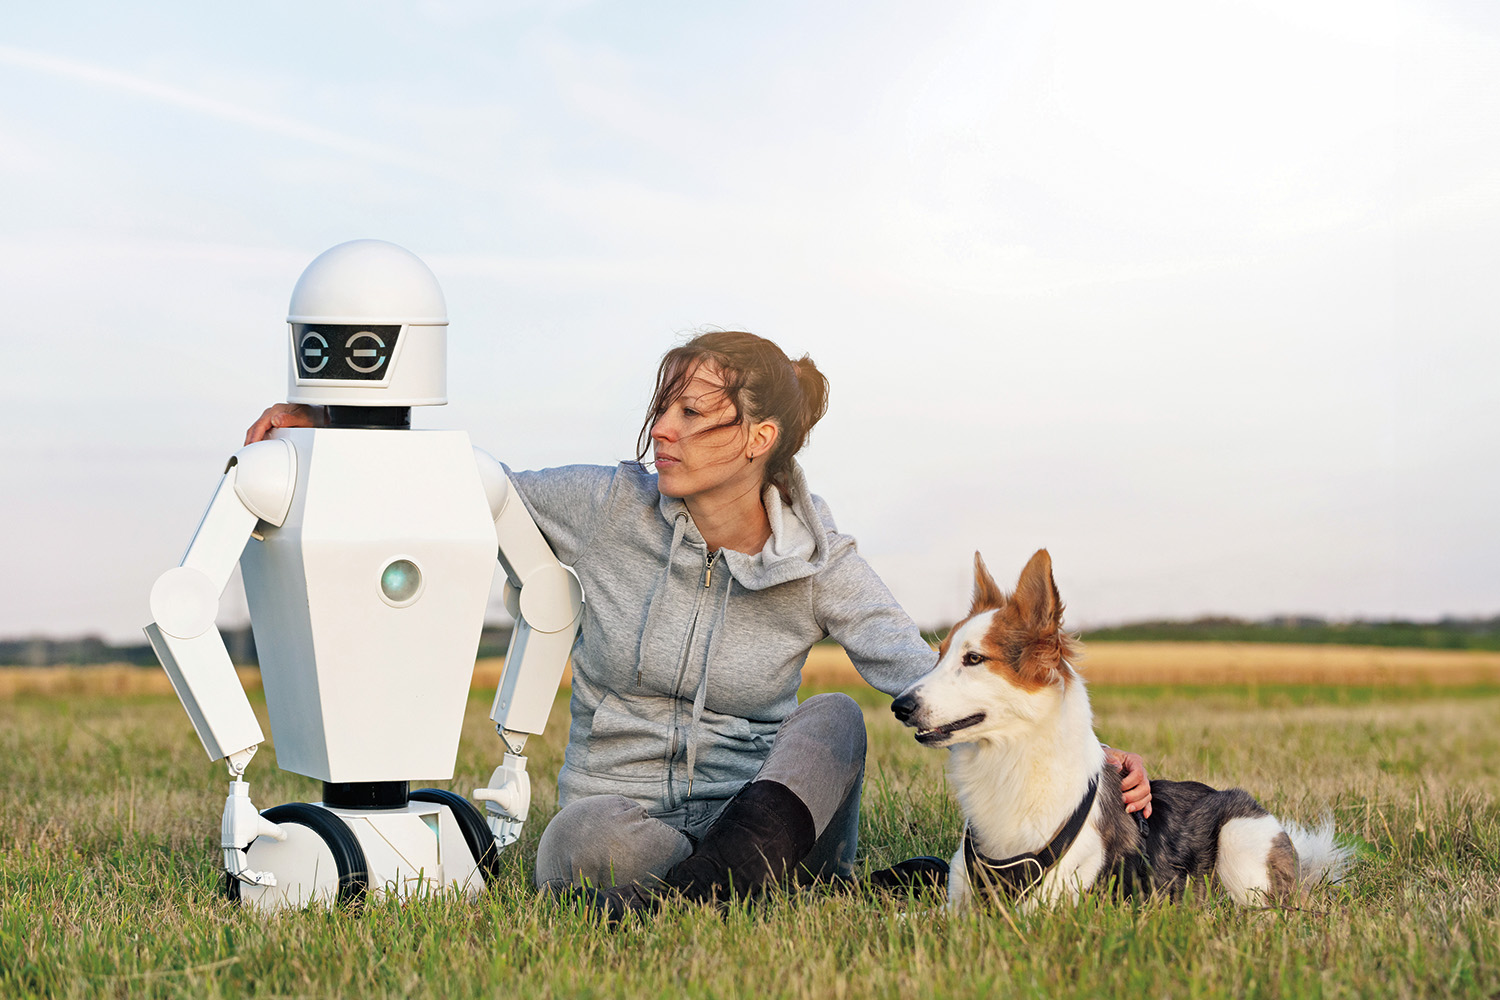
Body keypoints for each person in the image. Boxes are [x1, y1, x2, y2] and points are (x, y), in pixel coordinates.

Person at [246, 330, 1152, 918]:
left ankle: (713, 889)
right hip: (629, 814)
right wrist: (334, 430)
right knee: (576, 845)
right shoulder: (608, 507)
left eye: (691, 413)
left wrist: (1091, 757)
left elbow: (931, 680)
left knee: (833, 718)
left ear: (758, 438)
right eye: (663, 409)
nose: (663, 432)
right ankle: (731, 893)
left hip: (772, 808)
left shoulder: (820, 557)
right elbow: (459, 487)